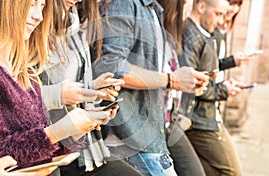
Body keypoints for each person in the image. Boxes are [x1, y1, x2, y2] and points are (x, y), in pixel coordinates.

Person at [0, 0, 116, 171]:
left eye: (42, 6)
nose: (38, 16)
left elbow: (41, 149)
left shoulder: (26, 71)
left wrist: (76, 129)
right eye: (31, 5)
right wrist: (57, 131)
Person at [93, 0, 210, 175]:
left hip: (151, 132)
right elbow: (111, 67)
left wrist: (180, 81)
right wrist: (172, 80)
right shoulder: (124, 4)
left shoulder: (153, 9)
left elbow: (149, 73)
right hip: (132, 135)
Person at [41, 0, 142, 175]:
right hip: (52, 145)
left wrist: (93, 90)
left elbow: (71, 84)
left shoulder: (75, 25)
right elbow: (23, 94)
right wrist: (62, 95)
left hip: (84, 147)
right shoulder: (36, 26)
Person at [180, 0, 244, 175]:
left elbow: (210, 70)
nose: (222, 20)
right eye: (218, 14)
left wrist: (231, 64)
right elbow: (190, 85)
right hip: (199, 120)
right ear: (201, 7)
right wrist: (224, 90)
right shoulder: (190, 35)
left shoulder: (207, 33)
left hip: (208, 115)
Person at [157, 0, 206, 175]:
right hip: (157, 126)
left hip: (170, 121)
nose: (188, 7)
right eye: (186, 2)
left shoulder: (171, 37)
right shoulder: (154, 33)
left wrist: (187, 85)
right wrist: (175, 81)